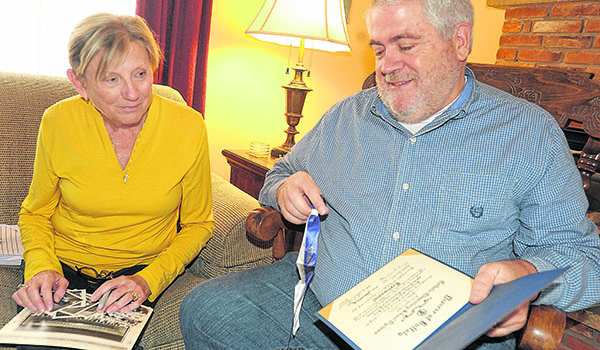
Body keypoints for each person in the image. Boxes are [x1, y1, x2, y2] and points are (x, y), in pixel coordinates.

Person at [180, 0, 600, 349]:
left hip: (445, 335)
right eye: (380, 50)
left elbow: (585, 260)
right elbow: (282, 172)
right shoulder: (348, 115)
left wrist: (527, 277)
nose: (388, 66)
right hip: (322, 308)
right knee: (204, 311)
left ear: (459, 41)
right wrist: (285, 189)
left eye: (406, 45)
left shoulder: (528, 134)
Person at [13, 13, 214, 316]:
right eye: (112, 79)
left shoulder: (188, 126)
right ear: (79, 83)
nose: (132, 94)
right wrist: (41, 267)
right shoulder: (58, 121)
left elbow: (199, 224)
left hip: (141, 274)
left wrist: (148, 280)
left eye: (140, 74)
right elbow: (35, 213)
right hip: (62, 271)